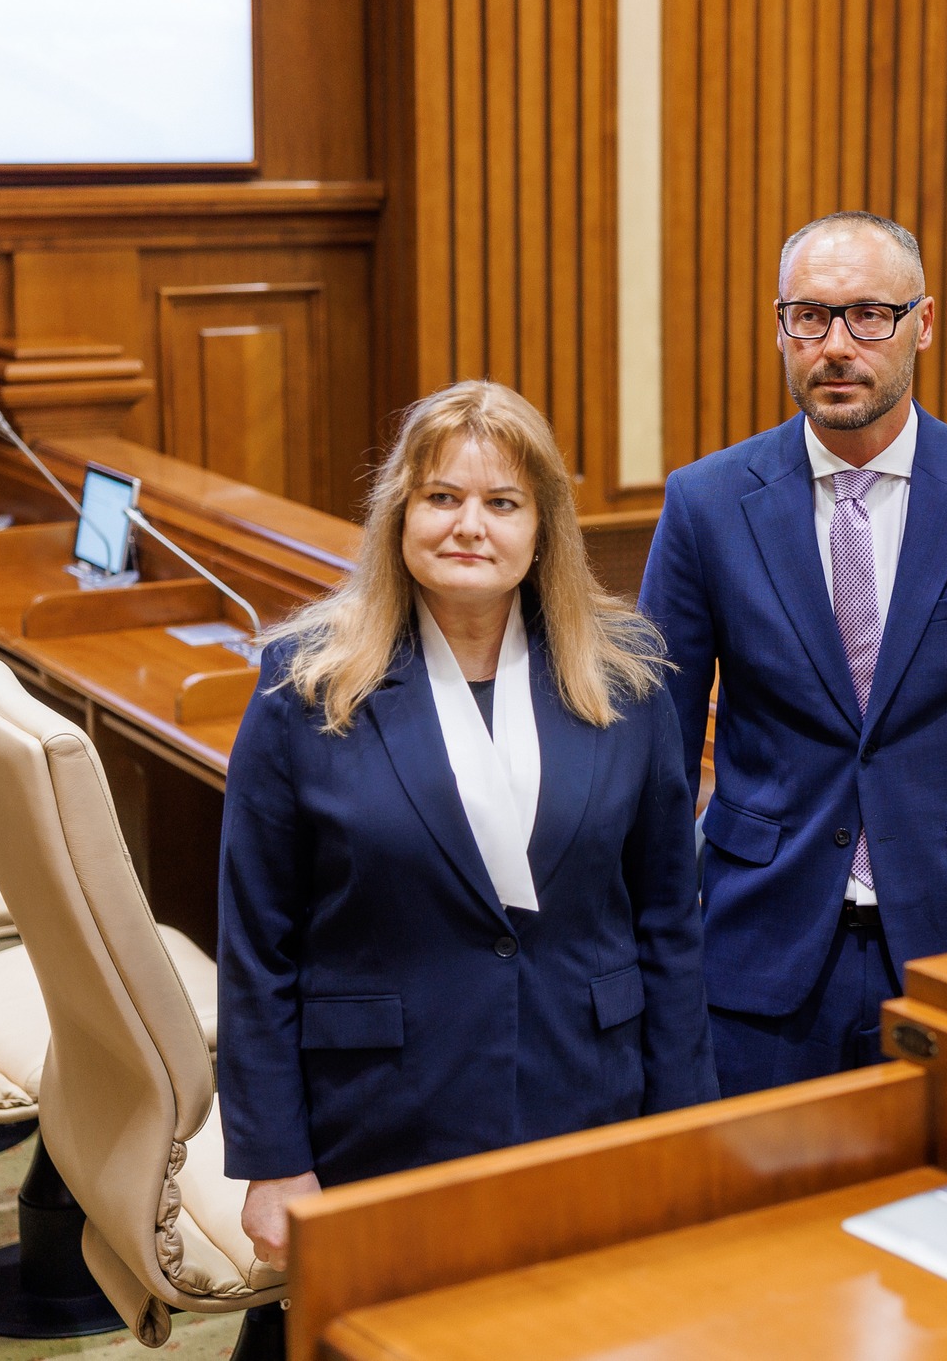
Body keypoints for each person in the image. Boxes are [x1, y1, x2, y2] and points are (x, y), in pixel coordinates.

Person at [219, 381, 715, 1272]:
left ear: (543, 527)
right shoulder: (307, 684)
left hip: (587, 1098)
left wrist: (684, 1127)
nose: (468, 527)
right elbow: (257, 944)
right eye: (441, 497)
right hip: (380, 1116)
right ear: (399, 515)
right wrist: (273, 1160)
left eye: (502, 503)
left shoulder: (628, 679)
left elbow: (669, 925)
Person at [640, 211, 947, 1097]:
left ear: (923, 324)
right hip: (755, 959)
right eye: (809, 317)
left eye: (868, 316)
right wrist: (668, 958)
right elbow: (655, 763)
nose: (836, 346)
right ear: (781, 328)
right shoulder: (706, 504)